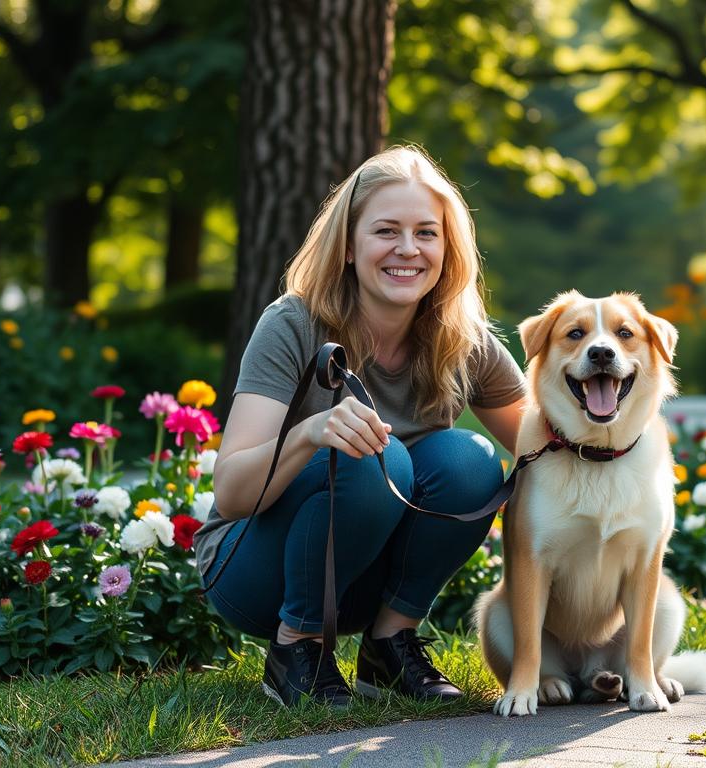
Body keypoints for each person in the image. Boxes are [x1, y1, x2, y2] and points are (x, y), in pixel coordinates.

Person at [195, 145, 527, 709]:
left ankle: (388, 643)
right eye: (386, 231)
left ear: (448, 249)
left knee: (471, 458)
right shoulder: (292, 324)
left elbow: (546, 444)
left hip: (364, 581)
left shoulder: (461, 337)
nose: (407, 249)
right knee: (379, 455)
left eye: (427, 233)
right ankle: (294, 650)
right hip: (255, 576)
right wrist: (308, 433)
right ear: (348, 245)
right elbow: (230, 494)